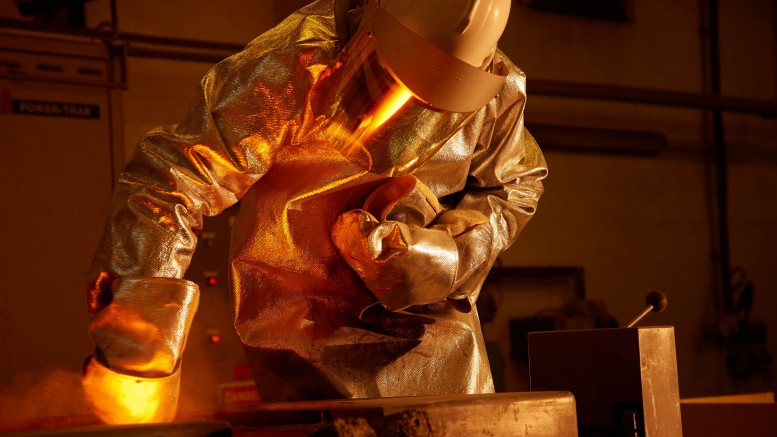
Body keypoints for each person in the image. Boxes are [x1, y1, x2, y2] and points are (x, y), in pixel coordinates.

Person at [82, 0, 547, 424]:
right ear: (374, 20)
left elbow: (515, 184)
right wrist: (140, 336)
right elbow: (174, 180)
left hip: (436, 346)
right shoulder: (294, 63)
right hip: (303, 335)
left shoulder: (496, 89)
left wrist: (447, 257)